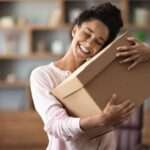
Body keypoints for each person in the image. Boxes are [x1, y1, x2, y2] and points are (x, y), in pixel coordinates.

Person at [30, 2, 135, 150]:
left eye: (98, 42)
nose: (89, 43)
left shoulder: (104, 75)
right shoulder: (43, 75)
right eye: (87, 33)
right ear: (75, 30)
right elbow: (55, 125)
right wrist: (101, 119)